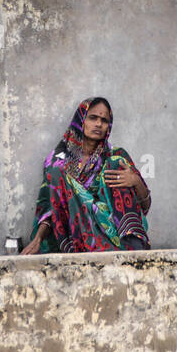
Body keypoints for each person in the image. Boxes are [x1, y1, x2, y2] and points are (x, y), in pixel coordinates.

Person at [21, 96, 151, 253]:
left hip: (114, 233)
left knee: (115, 162)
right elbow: (51, 206)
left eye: (104, 120)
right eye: (93, 118)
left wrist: (136, 181)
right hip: (77, 233)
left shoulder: (116, 154)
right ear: (81, 119)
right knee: (56, 172)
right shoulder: (58, 160)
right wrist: (38, 240)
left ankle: (132, 244)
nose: (98, 124)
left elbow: (146, 205)